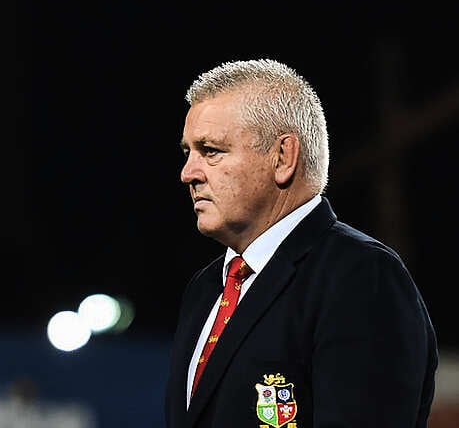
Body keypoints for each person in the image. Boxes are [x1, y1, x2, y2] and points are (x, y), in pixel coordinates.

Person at [165, 59, 438, 428]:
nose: (188, 173)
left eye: (211, 150)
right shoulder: (206, 289)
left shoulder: (360, 276)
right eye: (188, 152)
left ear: (283, 158)